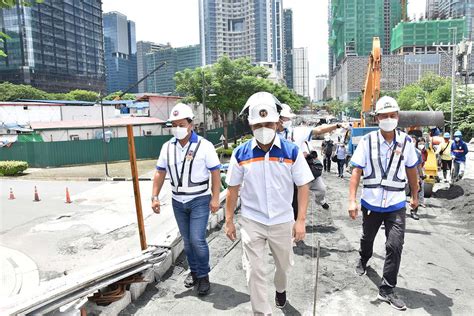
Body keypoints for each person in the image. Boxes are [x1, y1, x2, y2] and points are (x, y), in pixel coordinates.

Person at [224, 91, 313, 314]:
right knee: (254, 271)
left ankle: (280, 289)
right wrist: (229, 220)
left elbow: (303, 185)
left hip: (283, 220)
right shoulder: (240, 154)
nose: (263, 128)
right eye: (258, 124)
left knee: (284, 266)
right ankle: (262, 312)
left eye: (268, 123)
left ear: (277, 123)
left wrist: (300, 220)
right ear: (251, 126)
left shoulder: (291, 151)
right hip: (252, 221)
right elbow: (232, 189)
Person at [348, 96, 419, 311]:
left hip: (396, 203)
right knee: (367, 237)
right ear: (376, 117)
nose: (388, 119)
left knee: (394, 245)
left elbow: (411, 170)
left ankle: (387, 289)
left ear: (397, 116)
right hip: (371, 202)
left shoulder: (406, 142)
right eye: (384, 115)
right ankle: (363, 258)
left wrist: (415, 195)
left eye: (392, 115)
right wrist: (352, 200)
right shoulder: (367, 141)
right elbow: (356, 170)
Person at [152, 103, 221, 296]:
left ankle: (204, 275)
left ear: (191, 124)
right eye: (174, 125)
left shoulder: (204, 146)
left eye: (181, 124)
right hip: (177, 201)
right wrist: (154, 196)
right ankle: (195, 271)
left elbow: (215, 173)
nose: (177, 128)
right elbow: (159, 172)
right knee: (188, 241)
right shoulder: (167, 147)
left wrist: (215, 198)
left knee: (197, 239)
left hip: (199, 199)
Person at [301, 141, 330, 209]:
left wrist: (311, 156)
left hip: (311, 171)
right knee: (299, 196)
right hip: (300, 174)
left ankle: (321, 201)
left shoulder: (306, 143)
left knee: (322, 189)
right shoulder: (292, 142)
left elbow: (315, 155)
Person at [412, 137, 427, 220]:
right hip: (403, 176)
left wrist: (421, 176)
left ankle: (414, 211)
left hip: (415, 176)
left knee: (415, 194)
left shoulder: (417, 152)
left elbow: (419, 166)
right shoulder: (401, 151)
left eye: (414, 141)